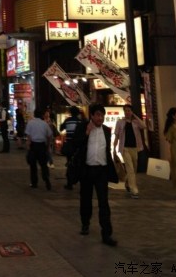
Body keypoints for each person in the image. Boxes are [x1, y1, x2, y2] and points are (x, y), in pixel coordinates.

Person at [72, 102, 119, 246]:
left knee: (103, 202)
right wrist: (86, 133)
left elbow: (107, 151)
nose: (100, 118)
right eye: (98, 115)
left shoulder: (106, 130)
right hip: (87, 170)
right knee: (86, 199)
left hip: (101, 171)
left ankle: (106, 234)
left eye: (102, 115)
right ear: (91, 116)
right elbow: (74, 145)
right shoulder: (83, 127)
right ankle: (85, 223)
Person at [113, 104, 146, 199]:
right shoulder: (120, 122)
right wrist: (114, 148)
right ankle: (134, 190)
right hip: (125, 148)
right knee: (130, 168)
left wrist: (135, 116)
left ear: (132, 112)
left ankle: (127, 182)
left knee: (133, 169)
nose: (127, 112)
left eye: (129, 110)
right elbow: (117, 136)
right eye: (126, 111)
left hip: (135, 148)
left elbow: (143, 126)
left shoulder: (135, 122)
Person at [24, 107, 53, 190]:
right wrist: (48, 146)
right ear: (42, 115)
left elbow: (28, 137)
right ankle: (46, 180)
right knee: (43, 165)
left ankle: (34, 183)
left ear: (34, 114)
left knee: (33, 166)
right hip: (42, 146)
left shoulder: (30, 123)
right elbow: (49, 135)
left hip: (33, 145)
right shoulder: (44, 124)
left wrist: (28, 147)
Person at [60, 106, 82, 189]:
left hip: (69, 145)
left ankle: (69, 183)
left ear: (70, 113)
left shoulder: (67, 120)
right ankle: (79, 180)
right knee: (78, 163)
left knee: (70, 163)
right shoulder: (80, 121)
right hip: (78, 146)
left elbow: (61, 128)